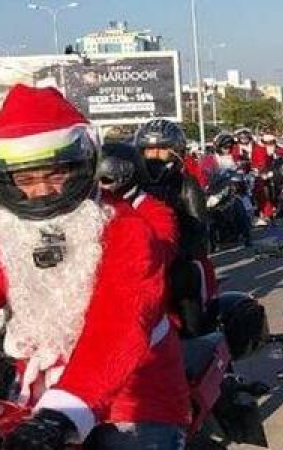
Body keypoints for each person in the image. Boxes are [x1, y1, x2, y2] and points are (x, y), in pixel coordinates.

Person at [0, 84, 189, 448]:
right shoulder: (10, 229)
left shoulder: (126, 228)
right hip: (37, 397)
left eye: (55, 175)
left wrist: (61, 412)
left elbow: (119, 324)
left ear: (83, 167)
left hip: (133, 401)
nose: (41, 190)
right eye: (25, 180)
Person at [134, 119, 217, 334]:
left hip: (177, 261)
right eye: (149, 150)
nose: (154, 156)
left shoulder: (186, 185)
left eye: (162, 150)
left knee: (186, 279)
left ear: (177, 153)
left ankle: (196, 334)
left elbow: (198, 230)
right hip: (139, 261)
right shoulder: (134, 186)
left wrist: (176, 253)